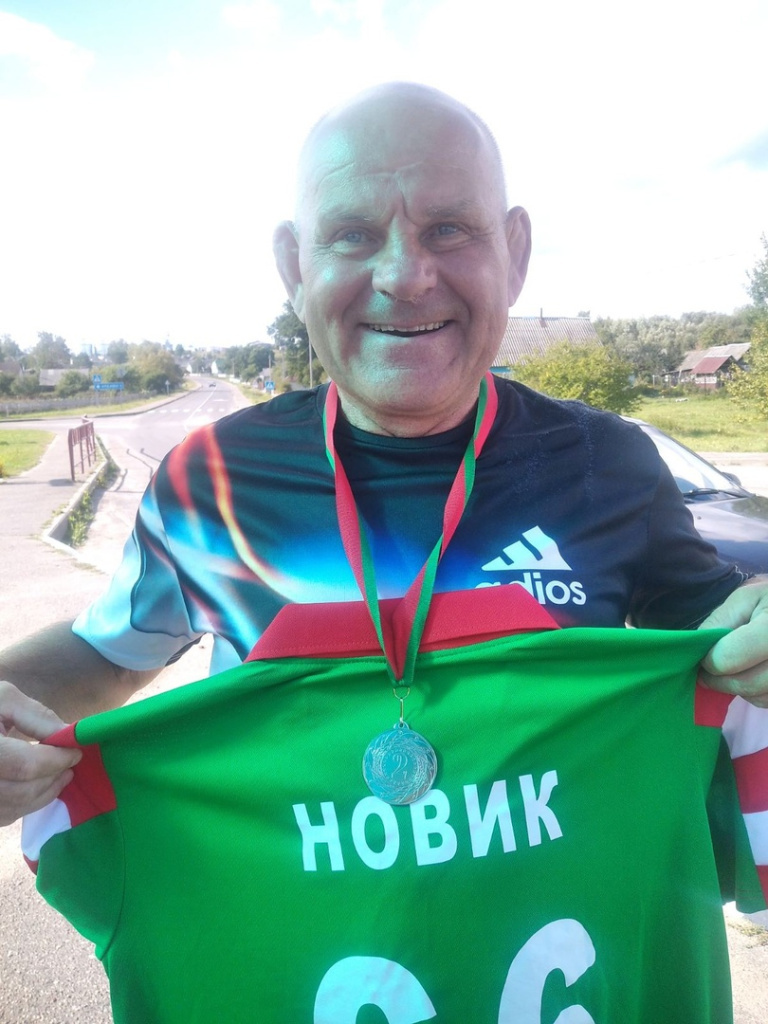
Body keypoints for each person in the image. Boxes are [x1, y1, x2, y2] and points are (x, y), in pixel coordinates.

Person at [0, 85, 766, 822]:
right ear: (295, 268)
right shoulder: (210, 483)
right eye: (353, 234)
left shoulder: (612, 464)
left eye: (449, 229)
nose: (404, 277)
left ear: (516, 253)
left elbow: (729, 633)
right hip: (287, 916)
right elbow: (108, 657)